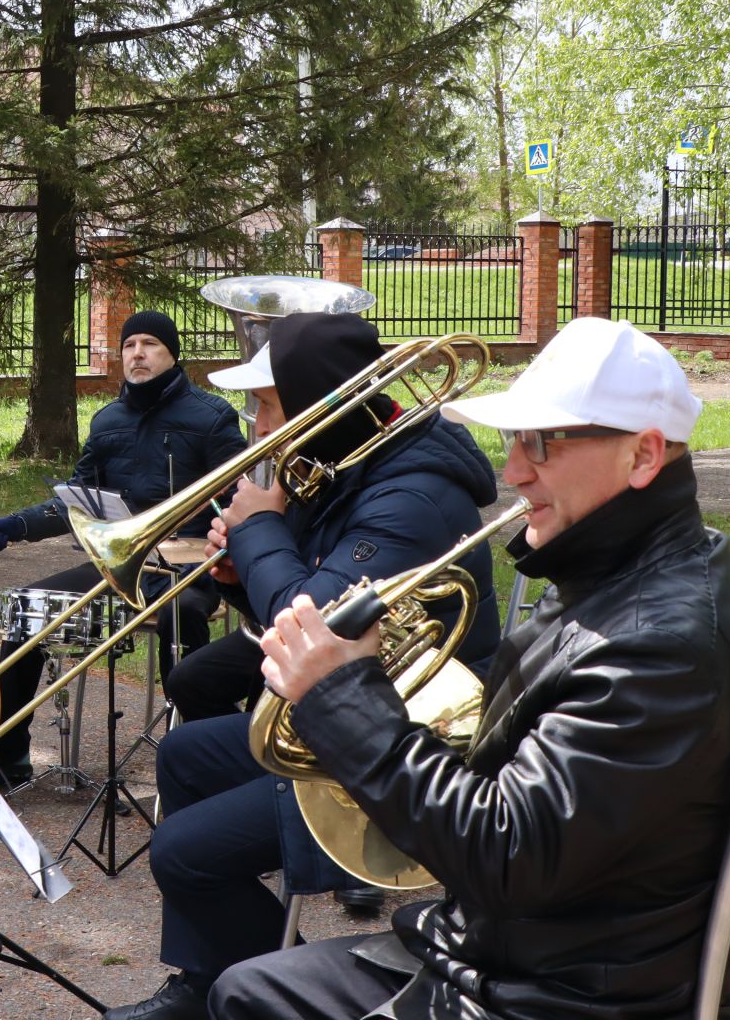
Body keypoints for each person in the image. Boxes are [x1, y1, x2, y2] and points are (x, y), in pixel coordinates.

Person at [209, 317, 730, 1020]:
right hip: (529, 952)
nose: (513, 471)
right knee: (245, 986)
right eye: (513, 441)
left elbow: (506, 856)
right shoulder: (630, 569)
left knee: (249, 998)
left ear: (644, 455)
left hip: (555, 994)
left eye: (541, 443)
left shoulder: (656, 644)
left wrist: (344, 700)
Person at [105, 313, 501, 1020]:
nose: (254, 422)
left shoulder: (409, 493)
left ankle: (271, 995)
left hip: (404, 745)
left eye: (265, 403)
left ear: (321, 407)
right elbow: (288, 624)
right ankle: (209, 979)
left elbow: (309, 628)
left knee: (180, 851)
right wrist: (239, 569)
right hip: (352, 713)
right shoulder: (349, 466)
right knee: (187, 753)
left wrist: (259, 531)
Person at [0, 310, 247, 783]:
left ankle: (199, 755)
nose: (137, 353)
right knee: (28, 608)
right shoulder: (107, 421)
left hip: (191, 567)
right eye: (129, 345)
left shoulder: (212, 416)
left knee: (180, 615)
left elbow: (237, 500)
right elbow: (76, 504)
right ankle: (8, 753)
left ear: (171, 353)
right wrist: (16, 525)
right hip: (119, 565)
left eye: (150, 344)